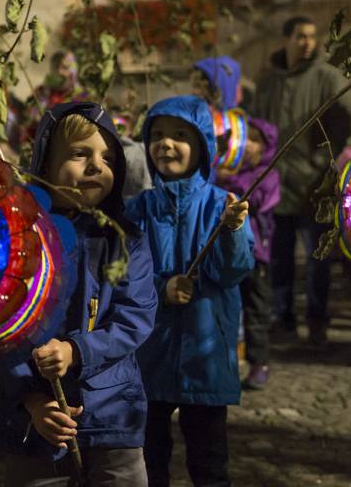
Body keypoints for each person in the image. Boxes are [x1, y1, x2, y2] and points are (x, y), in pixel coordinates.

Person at [0, 101, 157, 487]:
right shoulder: (20, 241)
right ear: (45, 164)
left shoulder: (125, 241)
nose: (97, 166)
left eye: (107, 157)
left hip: (112, 414)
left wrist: (76, 351)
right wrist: (31, 399)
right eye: (80, 154)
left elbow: (136, 316)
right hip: (35, 421)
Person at [126, 95, 253, 487]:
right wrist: (161, 288)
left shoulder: (223, 206)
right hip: (149, 356)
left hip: (206, 356)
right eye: (158, 135)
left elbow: (234, 270)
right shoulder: (138, 210)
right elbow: (122, 275)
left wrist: (231, 231)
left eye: (180, 135)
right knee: (148, 462)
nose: (166, 143)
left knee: (210, 462)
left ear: (202, 146)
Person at [249, 15, 351, 346]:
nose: (307, 42)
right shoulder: (268, 83)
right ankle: (283, 318)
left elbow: (339, 127)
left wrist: (318, 163)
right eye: (300, 36)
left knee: (317, 258)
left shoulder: (327, 78)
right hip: (277, 186)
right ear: (286, 39)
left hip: (313, 186)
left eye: (311, 36)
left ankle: (317, 319)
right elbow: (258, 129)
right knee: (279, 257)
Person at [217, 117, 280, 390]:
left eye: (255, 140)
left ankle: (259, 363)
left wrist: (230, 184)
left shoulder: (269, 174)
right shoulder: (228, 170)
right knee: (228, 306)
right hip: (230, 252)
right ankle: (227, 360)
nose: (248, 145)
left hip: (257, 256)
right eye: (246, 139)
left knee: (255, 310)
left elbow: (258, 198)